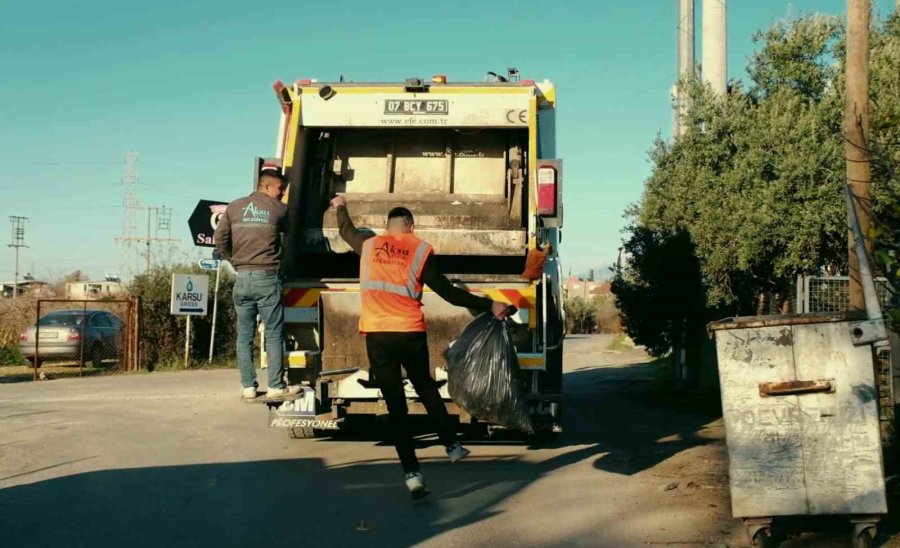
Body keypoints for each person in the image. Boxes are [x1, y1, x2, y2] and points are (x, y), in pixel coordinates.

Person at [330, 195, 508, 500]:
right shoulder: (419, 250)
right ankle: (452, 446)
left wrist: (340, 206)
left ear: (387, 226)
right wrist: (488, 304)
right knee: (425, 387)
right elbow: (449, 293)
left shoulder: (369, 245)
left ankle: (412, 475)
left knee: (396, 407)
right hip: (409, 332)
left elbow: (346, 231)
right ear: (411, 226)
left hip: (377, 335)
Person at [215, 165, 301, 401]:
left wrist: (235, 261)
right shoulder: (279, 209)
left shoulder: (234, 207)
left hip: (242, 279)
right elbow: (288, 232)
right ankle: (275, 385)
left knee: (244, 335)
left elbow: (219, 239)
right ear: (265, 187)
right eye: (280, 188)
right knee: (273, 333)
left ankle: (248, 387)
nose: (282, 193)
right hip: (266, 278)